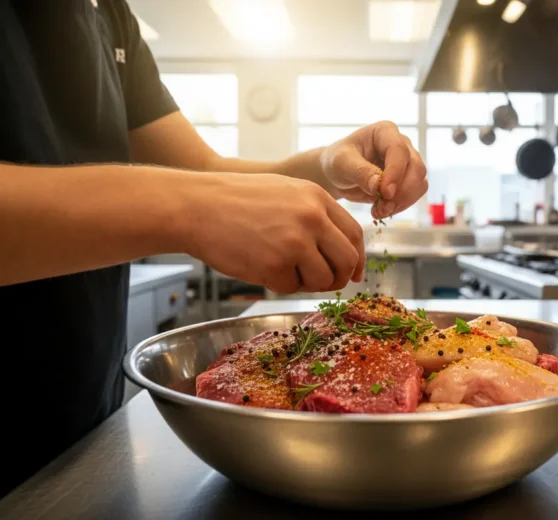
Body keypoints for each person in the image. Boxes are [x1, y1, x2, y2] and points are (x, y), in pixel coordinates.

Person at [0, 0, 427, 497]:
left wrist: (325, 164)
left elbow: (200, 170)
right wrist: (190, 207)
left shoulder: (108, 12)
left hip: (83, 433)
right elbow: (197, 193)